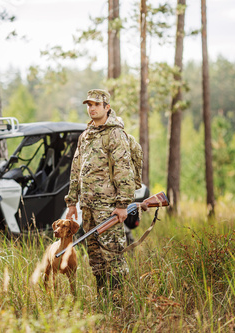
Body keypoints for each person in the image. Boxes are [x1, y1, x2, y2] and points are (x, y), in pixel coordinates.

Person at [65, 89, 142, 294]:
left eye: (96, 105)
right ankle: (104, 302)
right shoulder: (86, 136)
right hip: (88, 208)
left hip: (109, 209)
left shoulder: (115, 134)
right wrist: (72, 203)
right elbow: (76, 169)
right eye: (89, 105)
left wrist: (122, 205)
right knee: (96, 259)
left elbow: (123, 170)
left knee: (113, 258)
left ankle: (119, 306)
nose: (91, 108)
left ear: (107, 107)